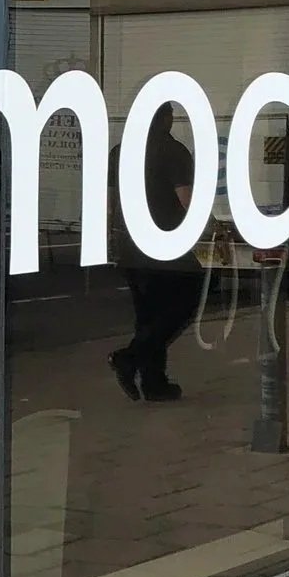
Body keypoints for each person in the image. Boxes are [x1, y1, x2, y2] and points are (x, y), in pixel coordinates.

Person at [106, 102, 196, 402]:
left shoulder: (120, 151)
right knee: (183, 307)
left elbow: (110, 201)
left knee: (147, 316)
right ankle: (130, 358)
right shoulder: (174, 151)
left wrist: (110, 239)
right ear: (167, 119)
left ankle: (154, 381)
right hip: (166, 248)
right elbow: (187, 201)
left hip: (128, 246)